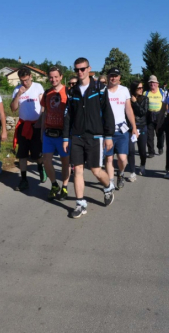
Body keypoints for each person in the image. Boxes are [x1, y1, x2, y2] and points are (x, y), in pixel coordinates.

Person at [63, 57, 115, 218]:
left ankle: (108, 187)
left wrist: (108, 136)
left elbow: (107, 113)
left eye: (83, 69)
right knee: (77, 170)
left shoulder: (99, 88)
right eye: (77, 69)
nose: (80, 72)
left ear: (89, 69)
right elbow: (68, 116)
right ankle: (80, 204)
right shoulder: (72, 91)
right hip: (77, 136)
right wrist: (66, 138)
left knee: (96, 171)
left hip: (95, 136)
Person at [10, 67, 47, 191]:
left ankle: (41, 167)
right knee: (22, 154)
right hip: (23, 125)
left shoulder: (38, 87)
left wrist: (41, 121)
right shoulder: (17, 89)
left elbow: (43, 105)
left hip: (36, 125)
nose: (24, 83)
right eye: (22, 80)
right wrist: (19, 94)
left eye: (26, 80)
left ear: (31, 76)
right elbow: (13, 108)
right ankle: (24, 179)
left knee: (37, 153)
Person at [103, 67, 137, 189]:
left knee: (123, 159)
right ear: (108, 77)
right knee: (109, 158)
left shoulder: (124, 90)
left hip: (122, 130)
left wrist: (134, 127)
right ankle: (111, 182)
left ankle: (121, 173)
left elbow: (128, 109)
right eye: (111, 75)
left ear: (119, 78)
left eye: (116, 76)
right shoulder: (103, 91)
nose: (113, 78)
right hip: (107, 131)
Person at [40, 66, 71, 201]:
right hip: (48, 133)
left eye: (56, 77)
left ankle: (64, 186)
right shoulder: (47, 93)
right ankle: (54, 185)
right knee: (46, 161)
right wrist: (41, 132)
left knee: (65, 162)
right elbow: (45, 112)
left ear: (61, 77)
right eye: (51, 77)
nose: (53, 79)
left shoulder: (69, 92)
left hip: (63, 134)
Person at [127, 81, 149, 180]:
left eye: (142, 87)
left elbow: (142, 112)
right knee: (131, 150)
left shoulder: (145, 99)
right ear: (133, 89)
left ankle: (142, 166)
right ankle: (132, 172)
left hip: (142, 126)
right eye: (138, 88)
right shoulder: (128, 99)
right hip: (131, 128)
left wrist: (135, 102)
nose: (141, 89)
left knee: (142, 151)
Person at [144, 75, 165, 157]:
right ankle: (151, 152)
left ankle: (160, 147)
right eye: (151, 82)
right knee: (149, 135)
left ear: (157, 84)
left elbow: (165, 103)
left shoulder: (162, 92)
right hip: (149, 115)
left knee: (160, 133)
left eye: (154, 82)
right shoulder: (145, 93)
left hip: (159, 115)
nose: (152, 84)